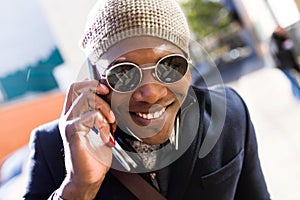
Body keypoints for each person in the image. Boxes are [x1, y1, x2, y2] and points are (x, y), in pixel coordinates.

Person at [23, 0, 270, 199]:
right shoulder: (51, 148)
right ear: (96, 78)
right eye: (124, 72)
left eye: (170, 65)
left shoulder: (228, 112)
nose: (150, 93)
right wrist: (78, 186)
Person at [270, 25, 300, 100]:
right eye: (282, 30)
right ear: (278, 30)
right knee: (293, 80)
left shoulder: (280, 38)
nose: (283, 31)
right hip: (283, 65)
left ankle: (296, 95)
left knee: (292, 80)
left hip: (286, 64)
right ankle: (298, 96)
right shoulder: (276, 39)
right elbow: (280, 53)